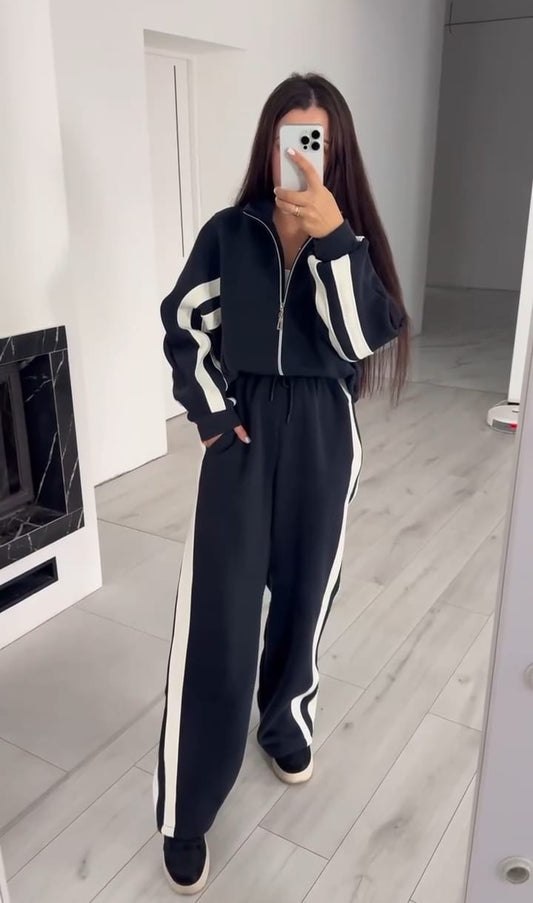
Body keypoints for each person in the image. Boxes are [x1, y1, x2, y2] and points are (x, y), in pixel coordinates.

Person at [155, 72, 409, 894]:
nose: (298, 155)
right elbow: (185, 323)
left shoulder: (351, 241)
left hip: (323, 431)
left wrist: (332, 239)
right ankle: (188, 807)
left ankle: (283, 721)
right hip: (243, 428)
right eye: (286, 139)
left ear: (335, 153)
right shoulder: (229, 234)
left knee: (306, 596)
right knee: (219, 615)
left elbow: (360, 337)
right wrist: (210, 411)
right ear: (268, 145)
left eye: (314, 142)